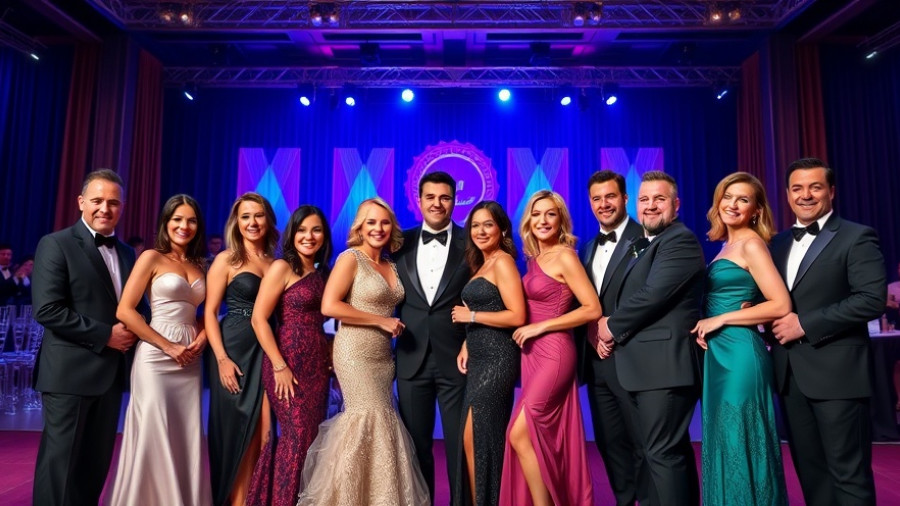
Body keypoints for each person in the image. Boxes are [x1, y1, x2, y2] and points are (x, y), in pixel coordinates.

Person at [297, 197, 429, 505]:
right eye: (371, 222)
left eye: (384, 222)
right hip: (354, 352)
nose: (378, 228)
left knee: (381, 422)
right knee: (367, 418)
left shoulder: (392, 264)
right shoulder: (350, 258)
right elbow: (330, 306)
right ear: (360, 226)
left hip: (384, 357)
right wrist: (381, 320)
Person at [769, 158, 886, 505]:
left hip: (839, 376)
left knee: (848, 476)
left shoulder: (856, 235)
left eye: (815, 187)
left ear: (831, 191)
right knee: (812, 474)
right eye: (797, 188)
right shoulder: (776, 243)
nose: (806, 195)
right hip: (790, 376)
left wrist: (805, 323)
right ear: (788, 195)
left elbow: (870, 300)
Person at [595, 171, 705, 506]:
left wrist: (610, 326)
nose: (651, 206)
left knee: (662, 453)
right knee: (667, 452)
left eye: (659, 199)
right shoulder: (649, 243)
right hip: (646, 366)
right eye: (644, 199)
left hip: (665, 365)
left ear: (676, 204)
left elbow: (653, 294)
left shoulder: (680, 240)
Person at [31, 169, 139, 505]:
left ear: (122, 207)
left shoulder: (126, 254)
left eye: (113, 202)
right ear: (81, 202)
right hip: (69, 374)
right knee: (59, 469)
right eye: (97, 200)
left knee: (94, 468)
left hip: (110, 377)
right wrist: (107, 335)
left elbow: (135, 309)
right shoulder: (55, 244)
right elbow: (48, 310)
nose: (104, 208)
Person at [692, 172, 790, 504]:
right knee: (725, 439)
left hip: (741, 356)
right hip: (719, 356)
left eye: (743, 199)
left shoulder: (751, 243)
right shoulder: (725, 246)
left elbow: (780, 304)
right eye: (727, 196)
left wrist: (720, 318)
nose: (732, 204)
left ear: (757, 210)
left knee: (741, 439)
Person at [107, 194, 211, 505]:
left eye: (191, 220)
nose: (184, 226)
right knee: (154, 429)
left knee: (185, 432)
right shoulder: (150, 257)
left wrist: (203, 337)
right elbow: (125, 310)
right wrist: (167, 346)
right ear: (166, 223)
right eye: (177, 219)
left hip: (190, 358)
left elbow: (208, 312)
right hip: (156, 355)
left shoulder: (199, 263)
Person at [500, 190, 600, 506]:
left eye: (551, 214)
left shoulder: (565, 256)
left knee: (519, 434)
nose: (543, 220)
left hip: (555, 352)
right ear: (528, 220)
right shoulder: (533, 259)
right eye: (537, 214)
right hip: (532, 355)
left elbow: (592, 308)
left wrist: (542, 325)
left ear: (560, 221)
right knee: (539, 436)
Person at [247, 205, 333, 506]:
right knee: (295, 438)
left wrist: (332, 354)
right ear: (292, 234)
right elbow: (259, 319)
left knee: (310, 439)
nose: (309, 236)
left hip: (317, 366)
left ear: (325, 235)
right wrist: (280, 365)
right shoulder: (282, 268)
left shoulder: (324, 273)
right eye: (302, 230)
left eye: (316, 230)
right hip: (287, 363)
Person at [394, 171, 471, 503]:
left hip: (458, 358)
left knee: (459, 444)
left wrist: (471, 339)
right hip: (410, 357)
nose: (437, 203)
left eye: (445, 197)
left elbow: (488, 294)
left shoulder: (473, 241)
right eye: (431, 197)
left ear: (455, 200)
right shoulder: (399, 243)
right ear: (419, 199)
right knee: (416, 446)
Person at [577, 170, 648, 506]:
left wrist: (613, 330)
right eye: (596, 198)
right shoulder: (588, 246)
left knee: (642, 441)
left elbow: (650, 297)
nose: (603, 204)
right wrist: (593, 333)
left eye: (610, 196)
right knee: (609, 441)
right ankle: (624, 500)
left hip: (634, 355)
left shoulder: (647, 238)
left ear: (624, 198)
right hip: (597, 360)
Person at [450, 201, 526, 506]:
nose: (481, 231)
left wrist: (470, 319)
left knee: (481, 439)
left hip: (498, 360)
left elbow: (517, 315)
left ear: (502, 229)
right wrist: (467, 341)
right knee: (473, 440)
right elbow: (488, 308)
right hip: (480, 357)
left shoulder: (503, 262)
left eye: (488, 224)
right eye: (476, 225)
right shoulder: (482, 263)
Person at [205, 193, 278, 506]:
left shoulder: (277, 263)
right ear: (237, 222)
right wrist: (221, 359)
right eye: (246, 216)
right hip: (233, 350)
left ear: (269, 220)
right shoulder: (226, 260)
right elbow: (209, 313)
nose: (252, 222)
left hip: (268, 350)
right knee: (236, 432)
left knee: (263, 435)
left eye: (258, 215)